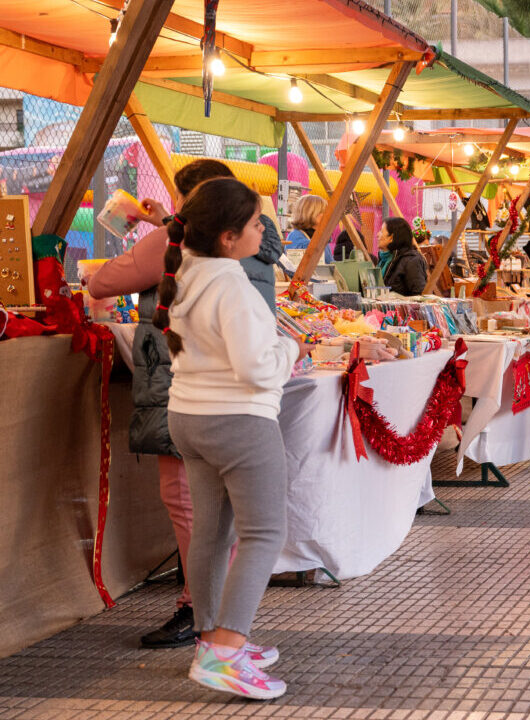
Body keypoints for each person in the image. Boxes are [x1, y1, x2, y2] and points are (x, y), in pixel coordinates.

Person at [156, 178, 308, 699]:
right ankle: (224, 653)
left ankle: (210, 642)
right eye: (254, 222)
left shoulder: (188, 273)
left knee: (212, 534)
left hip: (189, 419)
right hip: (239, 421)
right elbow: (256, 369)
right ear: (227, 236)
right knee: (264, 533)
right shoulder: (232, 284)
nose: (262, 228)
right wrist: (293, 350)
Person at [84, 159, 242, 650]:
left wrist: (157, 231)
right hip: (223, 386)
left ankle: (203, 612)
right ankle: (218, 608)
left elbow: (103, 282)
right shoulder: (230, 239)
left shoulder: (176, 241)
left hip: (182, 383)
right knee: (215, 503)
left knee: (185, 499)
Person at [380, 217, 428, 296]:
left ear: (391, 237)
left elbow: (419, 296)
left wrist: (397, 299)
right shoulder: (385, 260)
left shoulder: (412, 261)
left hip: (403, 308)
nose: (378, 235)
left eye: (382, 232)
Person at [284, 194, 332, 263]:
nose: (327, 215)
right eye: (323, 211)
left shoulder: (319, 236)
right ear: (311, 213)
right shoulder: (295, 235)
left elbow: (330, 263)